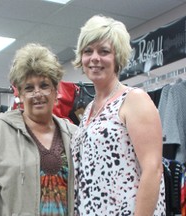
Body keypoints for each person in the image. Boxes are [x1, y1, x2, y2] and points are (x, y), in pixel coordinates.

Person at [71, 15, 166, 215]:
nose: (94, 58)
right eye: (88, 51)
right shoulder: (89, 109)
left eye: (104, 51)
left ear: (117, 57)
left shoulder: (134, 100)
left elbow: (153, 169)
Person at [0, 43, 77, 215]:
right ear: (19, 93)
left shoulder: (73, 134)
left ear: (55, 90)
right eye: (29, 88)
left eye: (44, 85)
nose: (37, 94)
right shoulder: (1, 131)